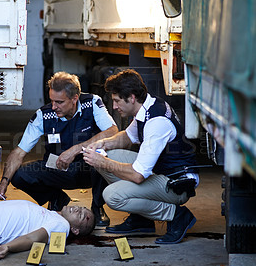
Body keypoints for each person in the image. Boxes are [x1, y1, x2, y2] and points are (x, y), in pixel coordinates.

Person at [82, 69, 199, 244]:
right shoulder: (148, 107)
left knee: (113, 196)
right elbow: (127, 137)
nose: (114, 106)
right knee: (106, 156)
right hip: (161, 173)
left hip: (176, 185)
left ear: (131, 97)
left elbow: (137, 175)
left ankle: (177, 216)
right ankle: (142, 218)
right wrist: (102, 145)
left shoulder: (156, 122)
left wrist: (104, 162)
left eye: (117, 101)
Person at [0, 71, 118, 227]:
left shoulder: (92, 103)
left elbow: (113, 131)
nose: (54, 106)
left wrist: (75, 150)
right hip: (58, 169)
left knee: (105, 154)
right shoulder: (43, 115)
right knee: (19, 175)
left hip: (89, 167)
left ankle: (97, 207)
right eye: (52, 101)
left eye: (59, 102)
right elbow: (19, 152)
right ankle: (57, 198)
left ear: (74, 99)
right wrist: (4, 182)